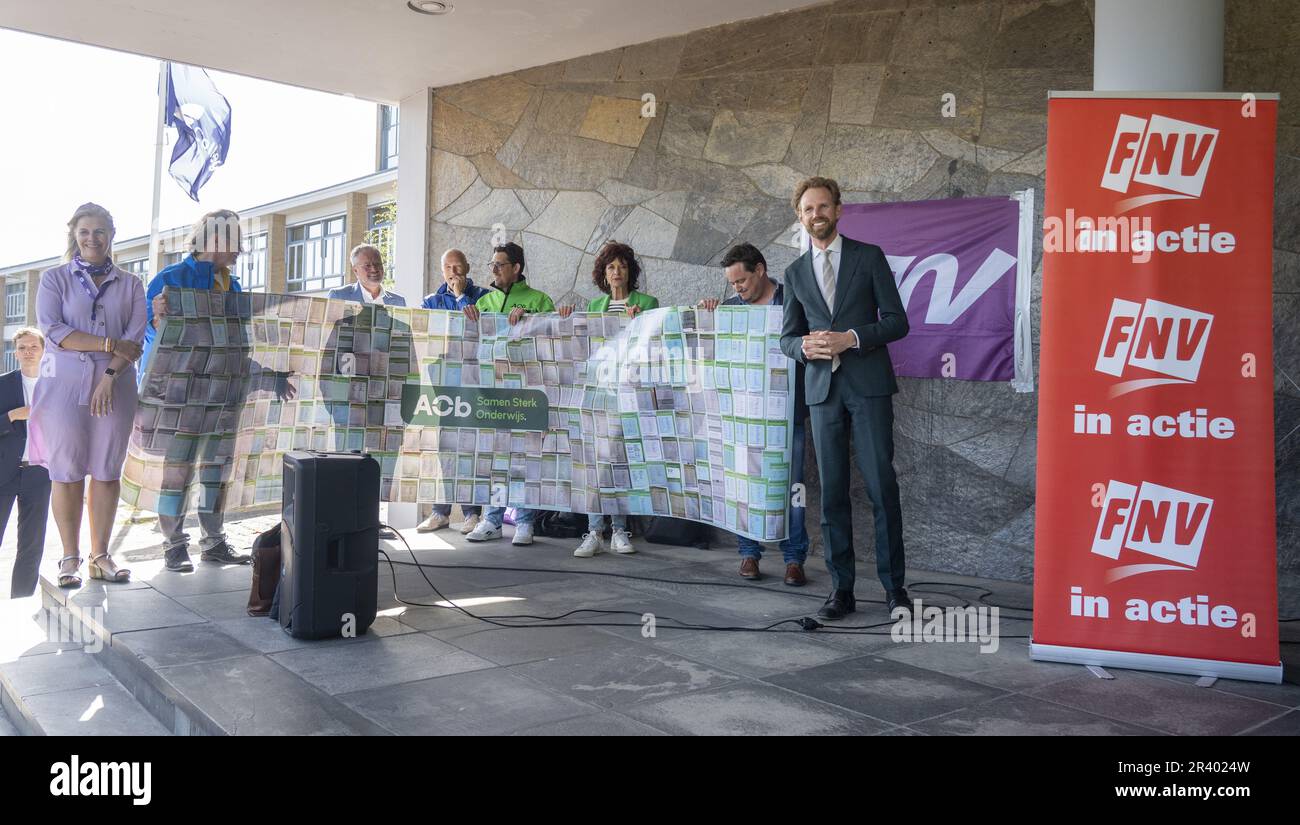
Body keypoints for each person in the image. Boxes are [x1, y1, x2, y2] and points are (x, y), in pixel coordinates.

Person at [778, 177, 911, 620]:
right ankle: (842, 590)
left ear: (838, 210)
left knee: (881, 488)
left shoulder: (868, 257)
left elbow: (897, 322)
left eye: (823, 206)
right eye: (807, 209)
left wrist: (850, 338)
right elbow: (787, 338)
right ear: (800, 217)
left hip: (869, 387)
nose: (816, 214)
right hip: (822, 392)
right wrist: (804, 348)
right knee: (832, 493)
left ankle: (895, 589)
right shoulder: (795, 273)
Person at [29, 202, 145, 588]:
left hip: (116, 385)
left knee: (107, 470)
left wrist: (109, 374)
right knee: (66, 472)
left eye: (99, 232)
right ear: (74, 236)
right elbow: (55, 331)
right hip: (62, 387)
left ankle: (100, 555)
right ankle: (69, 557)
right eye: (84, 232)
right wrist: (109, 342)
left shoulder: (131, 284)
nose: (92, 239)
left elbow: (135, 341)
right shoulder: (54, 279)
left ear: (111, 236)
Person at [144, 209, 253, 571]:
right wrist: (155, 315)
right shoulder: (170, 278)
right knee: (177, 471)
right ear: (217, 239)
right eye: (237, 239)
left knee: (215, 470)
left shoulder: (232, 286)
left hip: (221, 392)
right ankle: (174, 544)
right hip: (180, 392)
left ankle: (214, 542)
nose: (242, 248)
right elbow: (148, 335)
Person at [700, 243, 809, 585]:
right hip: (741, 417)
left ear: (760, 269)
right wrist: (708, 315)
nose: (737, 289)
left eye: (742, 281)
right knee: (743, 486)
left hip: (786, 413)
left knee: (793, 488)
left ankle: (794, 559)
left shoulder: (793, 300)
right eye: (732, 284)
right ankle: (748, 553)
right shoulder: (731, 308)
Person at [462, 242, 555, 546]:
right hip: (492, 392)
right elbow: (470, 343)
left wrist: (529, 321)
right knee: (493, 457)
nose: (493, 269)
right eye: (492, 264)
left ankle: (525, 523)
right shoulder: (485, 302)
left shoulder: (539, 300)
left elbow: (553, 342)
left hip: (528, 391)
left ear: (516, 268)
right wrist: (470, 319)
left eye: (499, 264)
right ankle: (491, 520)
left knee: (526, 457)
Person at [573, 241, 657, 558]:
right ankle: (594, 530)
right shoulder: (594, 307)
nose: (617, 271)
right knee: (595, 464)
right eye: (611, 266)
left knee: (619, 462)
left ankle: (620, 530)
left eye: (622, 265)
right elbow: (582, 346)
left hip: (628, 395)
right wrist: (568, 316)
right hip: (598, 394)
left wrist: (640, 322)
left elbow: (655, 344)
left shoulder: (647, 303)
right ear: (603, 274)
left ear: (630, 271)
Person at [416, 248, 490, 534]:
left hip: (472, 381)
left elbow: (477, 330)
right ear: (442, 270)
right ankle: (440, 511)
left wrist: (461, 299)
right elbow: (425, 334)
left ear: (468, 267)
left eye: (458, 267)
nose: (453, 273)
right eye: (448, 267)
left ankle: (472, 513)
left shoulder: (482, 296)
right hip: (443, 383)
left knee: (470, 449)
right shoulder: (430, 301)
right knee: (445, 448)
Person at [1, 328, 52, 597]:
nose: (28, 352)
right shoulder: (3, 384)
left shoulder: (54, 385)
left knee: (31, 544)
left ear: (44, 351)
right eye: (22, 347)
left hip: (39, 473)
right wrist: (13, 415)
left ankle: (21, 599)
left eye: (33, 346)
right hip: (4, 472)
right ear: (15, 352)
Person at [326, 243, 407, 306]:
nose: (374, 269)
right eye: (367, 265)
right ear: (355, 270)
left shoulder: (399, 301)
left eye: (378, 264)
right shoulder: (339, 296)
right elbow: (328, 327)